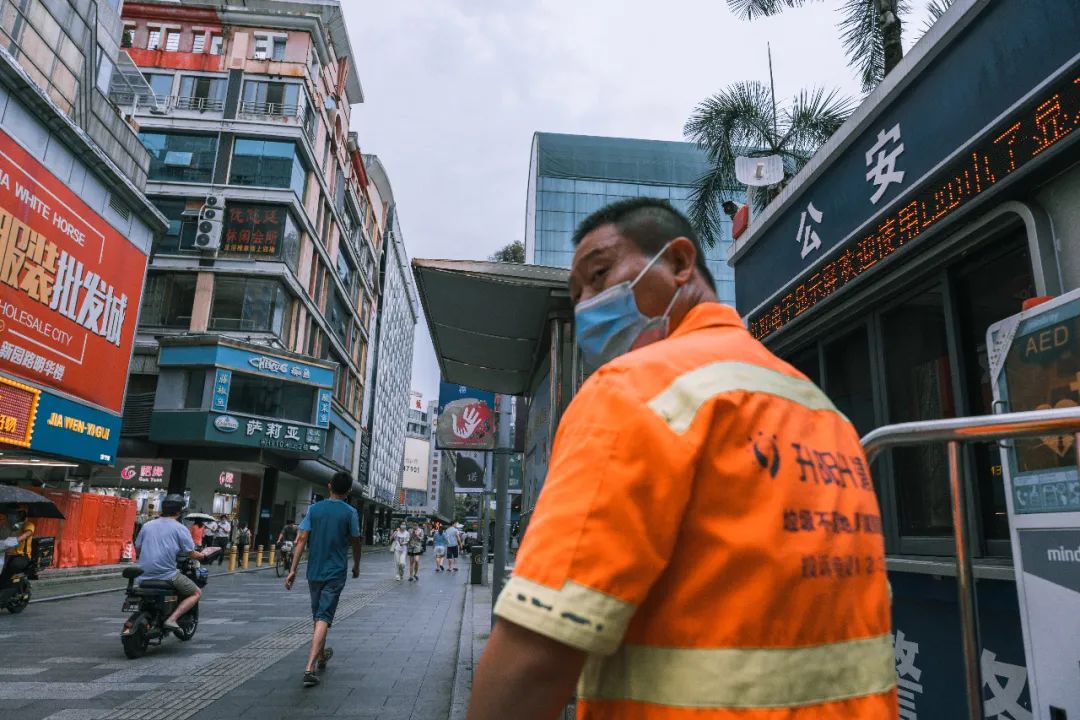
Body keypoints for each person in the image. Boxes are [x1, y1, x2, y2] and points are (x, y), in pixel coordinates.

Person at [468, 198, 896, 720]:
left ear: (678, 263)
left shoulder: (632, 391)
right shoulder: (821, 410)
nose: (586, 307)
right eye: (576, 295)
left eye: (600, 275)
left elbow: (535, 654)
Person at [285, 471, 362, 688]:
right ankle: (309, 667)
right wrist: (356, 565)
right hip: (336, 571)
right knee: (324, 616)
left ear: (329, 486)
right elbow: (356, 541)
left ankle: (320, 657)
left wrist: (293, 569)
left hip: (314, 571)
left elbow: (301, 540)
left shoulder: (314, 509)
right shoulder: (350, 512)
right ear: (348, 492)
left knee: (318, 615)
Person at [134, 494, 207, 632]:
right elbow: (191, 553)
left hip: (143, 575)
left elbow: (137, 548)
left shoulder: (147, 525)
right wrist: (204, 556)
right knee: (196, 592)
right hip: (167, 575)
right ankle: (172, 619)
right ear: (179, 511)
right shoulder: (180, 528)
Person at [0, 507, 32, 586]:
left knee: (11, 568)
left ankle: (9, 588)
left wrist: (16, 540)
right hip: (6, 554)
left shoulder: (28, 525)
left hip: (21, 556)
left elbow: (27, 534)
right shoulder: (7, 525)